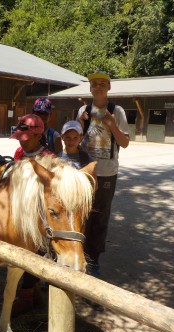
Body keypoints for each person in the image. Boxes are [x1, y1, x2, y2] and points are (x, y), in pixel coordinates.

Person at [76, 71, 129, 282]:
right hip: (85, 171)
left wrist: (111, 123)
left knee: (99, 217)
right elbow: (75, 138)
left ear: (109, 87)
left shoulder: (117, 111)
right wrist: (79, 123)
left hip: (107, 173)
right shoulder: (83, 110)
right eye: (94, 84)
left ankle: (94, 260)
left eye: (101, 84)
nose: (97, 87)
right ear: (90, 88)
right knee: (80, 214)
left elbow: (124, 143)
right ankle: (78, 253)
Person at [10, 114, 54, 316]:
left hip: (39, 215)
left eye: (25, 138)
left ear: (38, 136)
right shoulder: (19, 152)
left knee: (34, 252)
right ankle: (34, 290)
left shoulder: (49, 158)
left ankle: (27, 295)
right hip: (19, 210)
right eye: (19, 137)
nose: (21, 141)